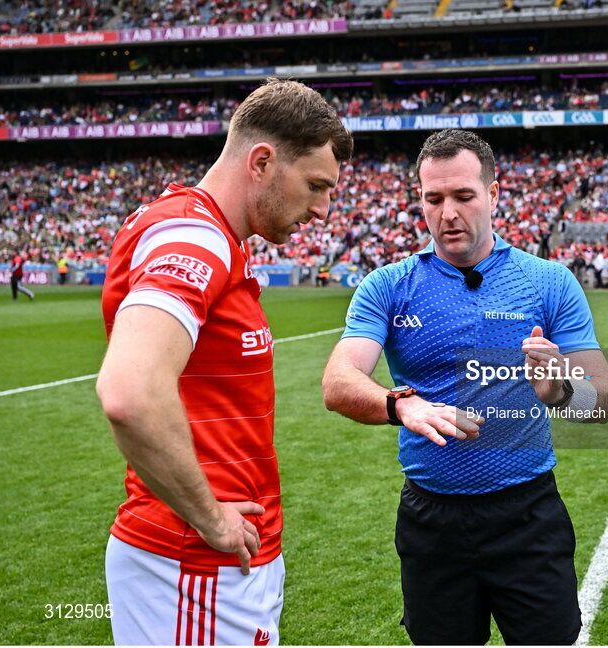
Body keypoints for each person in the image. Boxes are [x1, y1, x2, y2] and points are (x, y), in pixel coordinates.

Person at [322, 129, 608, 645]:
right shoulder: (390, 285)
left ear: (495, 194)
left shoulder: (547, 282)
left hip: (527, 513)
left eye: (463, 196)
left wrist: (560, 390)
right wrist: (402, 406)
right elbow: (338, 381)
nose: (448, 213)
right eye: (433, 199)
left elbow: (605, 401)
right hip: (431, 517)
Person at [96, 78, 353, 646]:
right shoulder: (194, 237)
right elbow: (129, 392)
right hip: (192, 566)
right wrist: (211, 517)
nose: (322, 209)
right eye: (315, 185)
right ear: (261, 161)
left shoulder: (206, 233)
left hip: (207, 567)